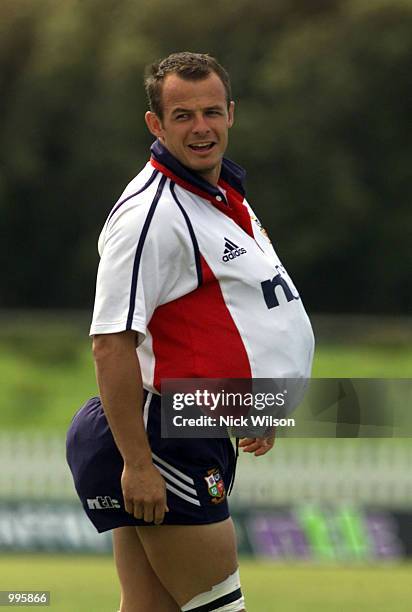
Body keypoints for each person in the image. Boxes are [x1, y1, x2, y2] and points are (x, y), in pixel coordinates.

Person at [66, 52, 314, 612]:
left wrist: (255, 404)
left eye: (211, 112)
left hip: (193, 424)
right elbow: (111, 342)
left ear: (232, 113)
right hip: (161, 437)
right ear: (155, 124)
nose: (201, 128)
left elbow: (244, 313)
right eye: (182, 116)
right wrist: (138, 463)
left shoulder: (224, 195)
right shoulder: (150, 216)